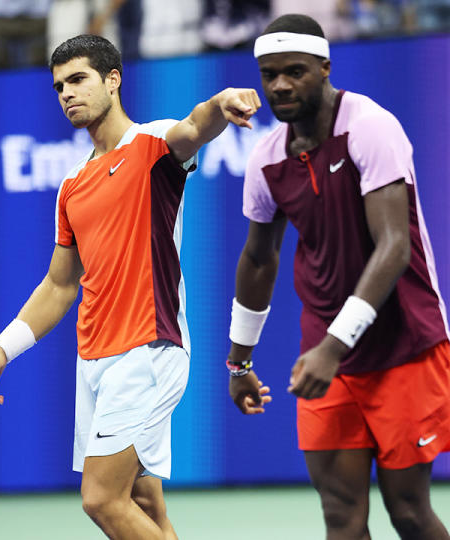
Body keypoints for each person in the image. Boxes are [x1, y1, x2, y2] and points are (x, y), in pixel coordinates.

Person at [0, 34, 260, 539]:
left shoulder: (152, 145)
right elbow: (60, 285)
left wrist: (221, 101)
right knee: (144, 505)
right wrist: (3, 347)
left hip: (147, 351)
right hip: (95, 361)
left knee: (102, 498)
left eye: (79, 80)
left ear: (113, 80)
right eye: (59, 85)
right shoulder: (71, 185)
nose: (66, 93)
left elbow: (196, 125)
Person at [228, 14, 450, 540]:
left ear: (325, 68)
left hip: (405, 346)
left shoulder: (369, 125)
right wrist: (239, 361)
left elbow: (393, 246)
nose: (280, 85)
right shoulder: (265, 158)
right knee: (341, 516)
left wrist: (334, 345)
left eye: (295, 71)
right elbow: (260, 259)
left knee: (409, 512)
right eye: (270, 74)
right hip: (326, 354)